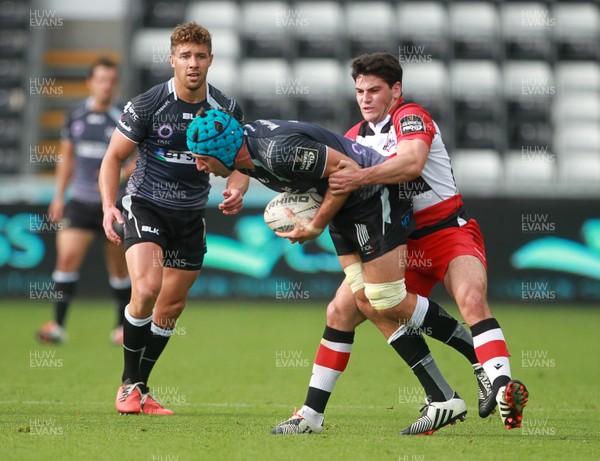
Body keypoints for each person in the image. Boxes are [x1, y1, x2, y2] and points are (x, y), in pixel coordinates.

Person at [187, 108, 477, 434]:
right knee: (343, 310)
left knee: (387, 298)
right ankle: (314, 415)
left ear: (223, 150)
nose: (199, 166)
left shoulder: (279, 151)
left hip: (372, 196)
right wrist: (238, 189)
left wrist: (315, 225)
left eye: (202, 158)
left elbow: (347, 169)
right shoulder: (243, 147)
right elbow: (242, 164)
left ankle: (478, 352)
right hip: (340, 203)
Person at [325, 52, 528, 432]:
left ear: (395, 90)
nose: (365, 98)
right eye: (359, 91)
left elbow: (412, 163)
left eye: (374, 90)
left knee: (470, 298)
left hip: (447, 231)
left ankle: (501, 387)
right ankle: (439, 396)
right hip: (398, 244)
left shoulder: (411, 116)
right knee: (347, 308)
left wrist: (357, 179)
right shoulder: (352, 139)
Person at [98, 22, 247, 415]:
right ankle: (128, 387)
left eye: (200, 56)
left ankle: (139, 389)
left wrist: (237, 187)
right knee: (147, 289)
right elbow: (112, 158)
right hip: (146, 206)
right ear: (172, 60)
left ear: (211, 60)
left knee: (171, 307)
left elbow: (243, 160)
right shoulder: (147, 105)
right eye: (185, 56)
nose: (193, 63)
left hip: (190, 217)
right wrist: (108, 206)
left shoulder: (227, 110)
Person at [36, 57, 132, 346]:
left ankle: (121, 328)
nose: (106, 86)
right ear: (90, 83)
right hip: (79, 202)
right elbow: (67, 158)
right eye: (101, 80)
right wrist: (57, 196)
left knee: (118, 268)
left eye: (111, 81)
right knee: (66, 259)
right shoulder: (75, 116)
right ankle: (58, 326)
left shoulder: (124, 118)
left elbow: (136, 160)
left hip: (113, 204)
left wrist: (112, 177)